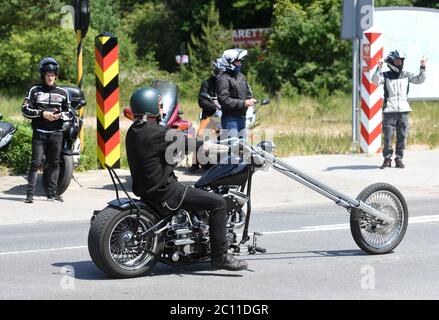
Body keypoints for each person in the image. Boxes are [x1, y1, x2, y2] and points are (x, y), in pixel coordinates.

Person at [125, 86, 248, 271]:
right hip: (167, 192)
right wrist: (231, 149)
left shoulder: (133, 132)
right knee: (219, 203)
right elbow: (200, 146)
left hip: (146, 190)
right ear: (150, 107)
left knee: (200, 191)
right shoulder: (158, 133)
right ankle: (220, 257)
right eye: (159, 105)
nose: (163, 110)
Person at [22, 57, 71, 203]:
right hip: (40, 133)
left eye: (52, 75)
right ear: (43, 75)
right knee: (35, 163)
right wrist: (42, 114)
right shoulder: (34, 91)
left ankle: (52, 194)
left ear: (56, 76)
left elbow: (70, 113)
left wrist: (59, 115)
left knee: (54, 162)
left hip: (56, 133)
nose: (50, 77)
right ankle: (29, 195)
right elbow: (24, 110)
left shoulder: (63, 93)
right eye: (47, 74)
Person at [372, 50, 427, 169]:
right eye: (397, 60)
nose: (399, 62)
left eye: (401, 60)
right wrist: (379, 68)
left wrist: (422, 66)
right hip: (389, 111)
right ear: (391, 61)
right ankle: (387, 158)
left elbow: (420, 80)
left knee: (402, 136)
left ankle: (399, 158)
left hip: (403, 111)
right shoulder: (385, 76)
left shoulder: (406, 75)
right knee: (388, 137)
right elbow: (375, 81)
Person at [188, 58, 225, 173]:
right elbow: (202, 100)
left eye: (224, 72)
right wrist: (214, 109)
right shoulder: (207, 83)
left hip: (227, 116)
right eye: (220, 72)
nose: (222, 74)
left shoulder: (231, 83)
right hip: (210, 115)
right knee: (200, 135)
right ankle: (195, 163)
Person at [216, 48, 256, 140]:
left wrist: (250, 99)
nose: (240, 64)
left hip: (243, 118)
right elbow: (224, 100)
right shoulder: (223, 79)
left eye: (240, 61)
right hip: (230, 120)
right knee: (232, 149)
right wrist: (243, 103)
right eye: (237, 61)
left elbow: (248, 93)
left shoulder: (241, 77)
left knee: (242, 149)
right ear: (229, 62)